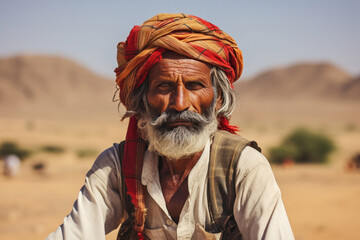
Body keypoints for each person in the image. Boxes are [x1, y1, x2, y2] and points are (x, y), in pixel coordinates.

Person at [47, 13, 294, 240]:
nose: (179, 103)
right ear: (141, 101)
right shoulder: (118, 166)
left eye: (195, 86)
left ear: (218, 98)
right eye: (163, 87)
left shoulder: (244, 168)